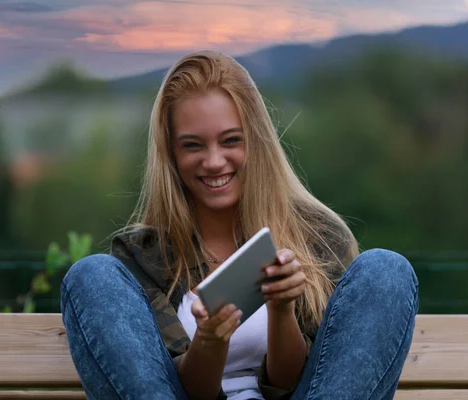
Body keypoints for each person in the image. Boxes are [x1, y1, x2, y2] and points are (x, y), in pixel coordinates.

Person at [60, 50, 419, 400]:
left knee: (387, 270)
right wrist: (209, 341)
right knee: (91, 275)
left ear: (257, 140)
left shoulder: (318, 239)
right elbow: (179, 387)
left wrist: (281, 310)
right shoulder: (144, 257)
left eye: (231, 140)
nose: (214, 161)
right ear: (171, 153)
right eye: (192, 145)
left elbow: (296, 382)